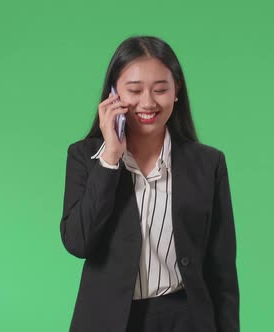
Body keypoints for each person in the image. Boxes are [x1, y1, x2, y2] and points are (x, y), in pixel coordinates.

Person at [60, 35, 239, 332]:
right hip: (111, 321)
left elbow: (222, 271)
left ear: (176, 90)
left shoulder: (208, 164)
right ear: (113, 93)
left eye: (160, 90)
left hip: (186, 320)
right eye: (134, 90)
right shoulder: (85, 157)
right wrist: (110, 159)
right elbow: (78, 242)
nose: (148, 102)